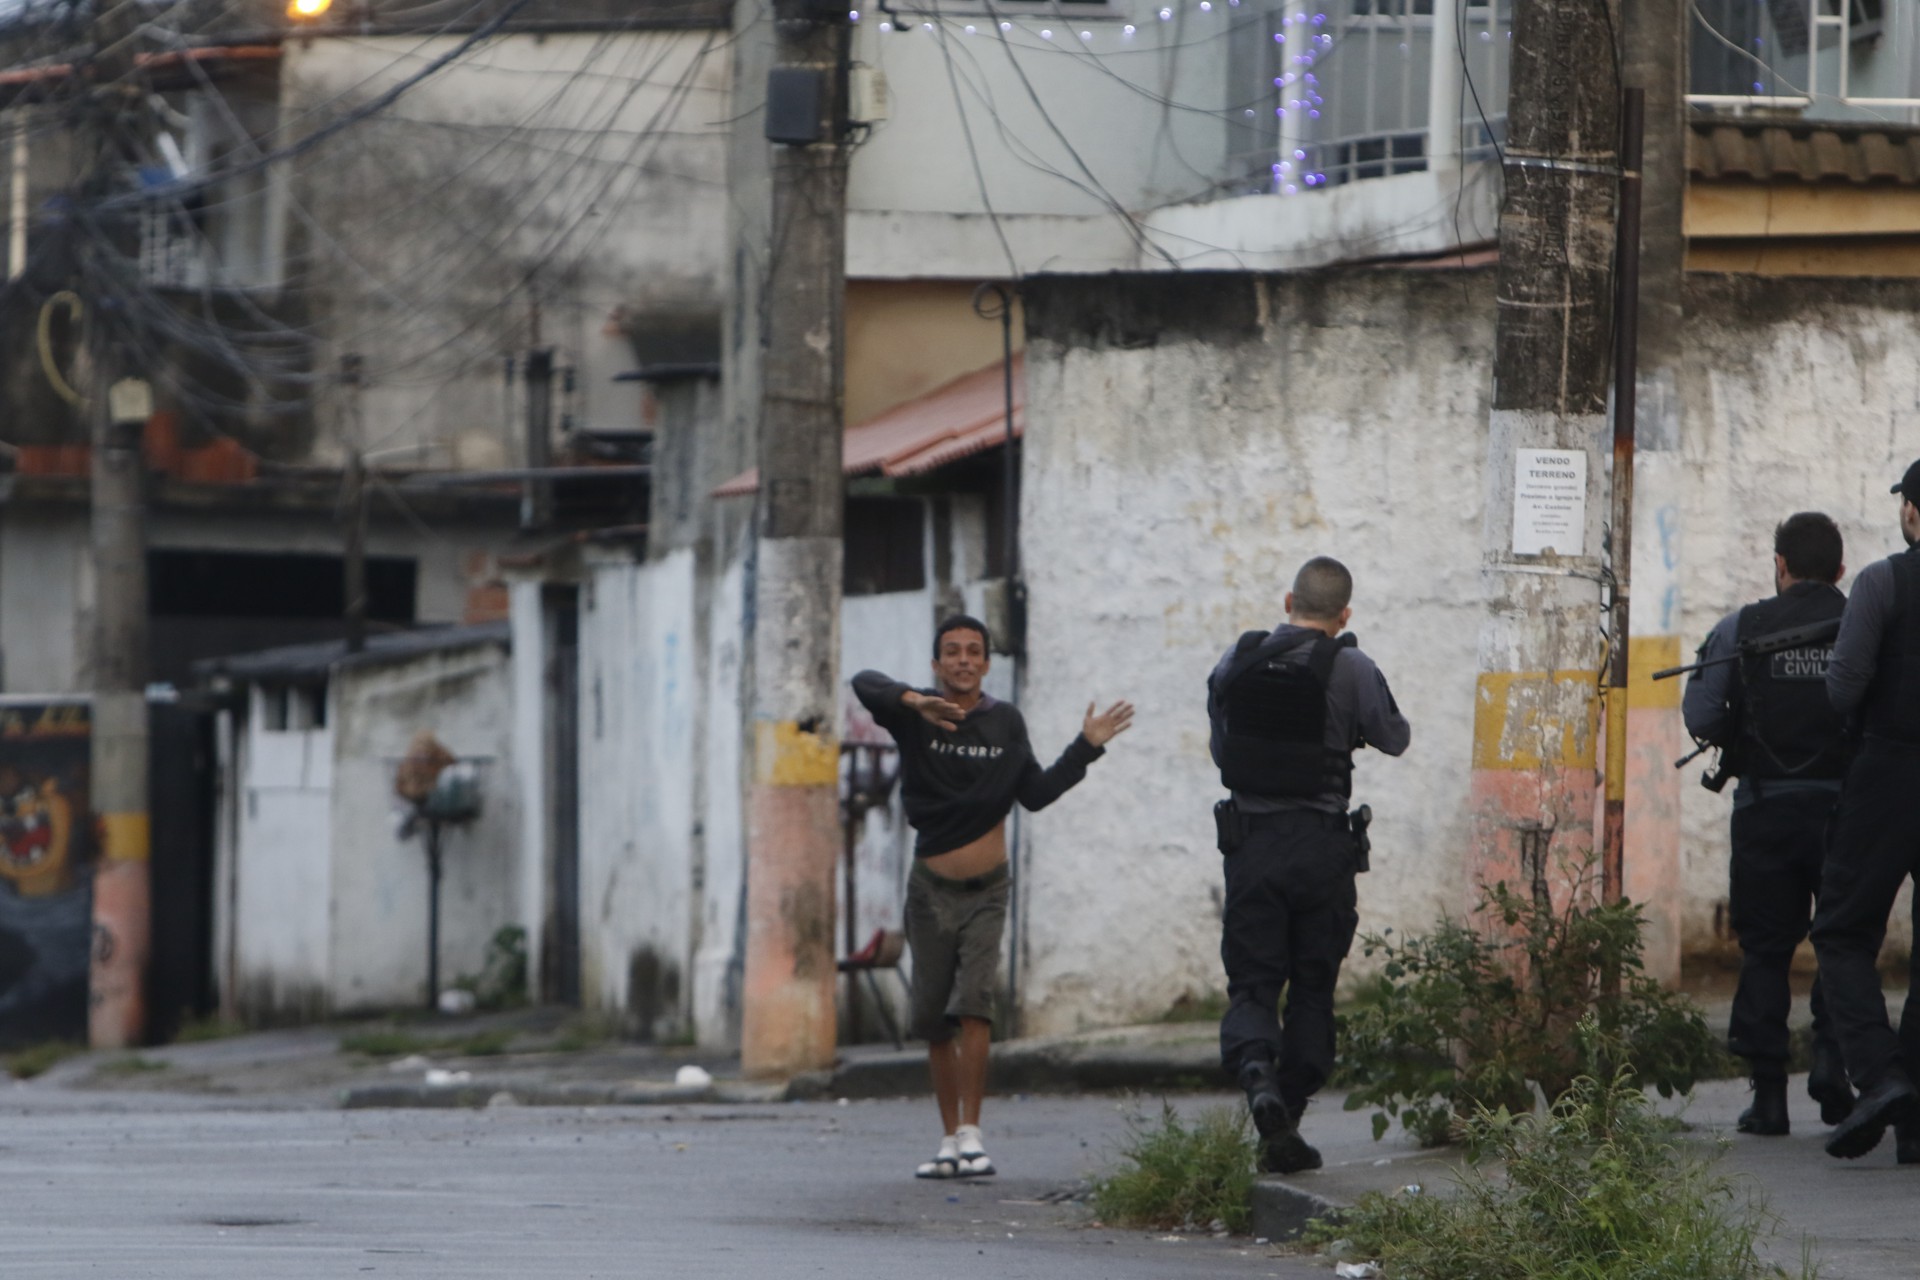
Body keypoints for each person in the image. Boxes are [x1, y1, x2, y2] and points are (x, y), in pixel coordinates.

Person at [851, 616, 1133, 1180]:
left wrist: (1086, 747)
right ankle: (947, 1140)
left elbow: (1036, 793)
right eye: (952, 652)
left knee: (973, 1006)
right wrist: (914, 702)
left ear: (985, 663)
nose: (963, 660)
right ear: (937, 664)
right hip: (929, 892)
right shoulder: (915, 714)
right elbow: (864, 682)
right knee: (933, 1019)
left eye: (973, 651)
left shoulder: (1005, 722)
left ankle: (973, 1133)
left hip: (988, 891)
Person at [1206, 556, 1409, 1174]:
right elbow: (1395, 737)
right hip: (1322, 850)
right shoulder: (1352, 666)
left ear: (1288, 600)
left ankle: (1257, 1075)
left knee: (1253, 983)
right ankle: (1286, 1117)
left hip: (1252, 847)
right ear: (1344, 614)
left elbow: (1221, 748)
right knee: (1313, 989)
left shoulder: (1238, 659)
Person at [1682, 512, 1855, 1136]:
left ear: (1778, 565)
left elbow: (1701, 715)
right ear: (1840, 570)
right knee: (1844, 943)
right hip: (1846, 813)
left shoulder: (1741, 627)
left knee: (1765, 950)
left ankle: (1770, 1098)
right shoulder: (1863, 624)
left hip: (1764, 810)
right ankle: (1833, 1061)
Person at [1813, 461, 1920, 1161]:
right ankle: (1916, 1120)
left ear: (1912, 511)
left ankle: (1880, 1076)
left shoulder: (1884, 582)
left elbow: (1843, 690)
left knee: (1842, 929)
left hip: (1892, 771)